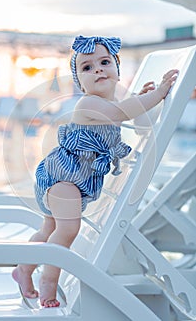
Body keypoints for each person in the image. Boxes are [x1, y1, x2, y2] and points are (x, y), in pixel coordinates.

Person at [12, 35, 178, 308]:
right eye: (87, 68)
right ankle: (48, 284)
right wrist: (157, 93)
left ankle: (23, 270)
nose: (98, 69)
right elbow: (121, 113)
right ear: (79, 81)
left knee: (48, 229)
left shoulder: (112, 104)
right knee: (67, 229)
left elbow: (132, 118)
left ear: (116, 69)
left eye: (104, 62)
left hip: (66, 179)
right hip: (64, 176)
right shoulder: (87, 104)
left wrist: (144, 99)